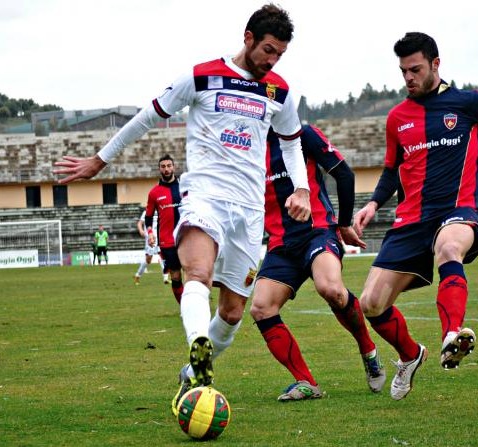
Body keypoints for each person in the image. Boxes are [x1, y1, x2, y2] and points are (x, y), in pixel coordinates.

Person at [53, 4, 311, 409]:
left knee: (231, 312)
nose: (272, 60)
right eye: (267, 49)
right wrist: (99, 160)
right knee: (197, 272)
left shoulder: (279, 89)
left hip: (249, 212)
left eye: (279, 53)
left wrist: (302, 190)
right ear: (247, 38)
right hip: (206, 196)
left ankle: (192, 372)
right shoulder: (201, 75)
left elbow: (292, 143)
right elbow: (146, 117)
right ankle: (198, 343)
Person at [352, 32, 478, 401]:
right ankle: (410, 354)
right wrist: (372, 204)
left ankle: (452, 334)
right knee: (370, 303)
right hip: (410, 222)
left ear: (435, 64)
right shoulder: (397, 117)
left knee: (449, 248)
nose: (408, 78)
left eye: (415, 69)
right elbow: (391, 169)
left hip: (456, 212)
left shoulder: (466, 103)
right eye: (403, 71)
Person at [250, 124, 384, 401]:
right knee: (262, 308)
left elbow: (343, 174)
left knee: (331, 289)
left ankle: (368, 350)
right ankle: (306, 382)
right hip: (280, 244)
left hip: (317, 232)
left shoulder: (302, 135)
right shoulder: (246, 146)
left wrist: (344, 223)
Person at [144, 154, 184, 300]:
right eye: (163, 167)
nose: (166, 169)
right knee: (175, 276)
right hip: (167, 241)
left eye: (169, 166)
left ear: (173, 167)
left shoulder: (184, 188)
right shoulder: (154, 193)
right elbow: (148, 217)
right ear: (159, 169)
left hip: (187, 238)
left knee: (195, 274)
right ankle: (184, 308)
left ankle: (195, 305)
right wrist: (150, 233)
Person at [134, 208, 170, 285]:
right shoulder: (147, 211)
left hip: (160, 237)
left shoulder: (162, 210)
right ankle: (137, 275)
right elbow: (140, 223)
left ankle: (165, 278)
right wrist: (141, 230)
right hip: (150, 237)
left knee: (163, 256)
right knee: (148, 260)